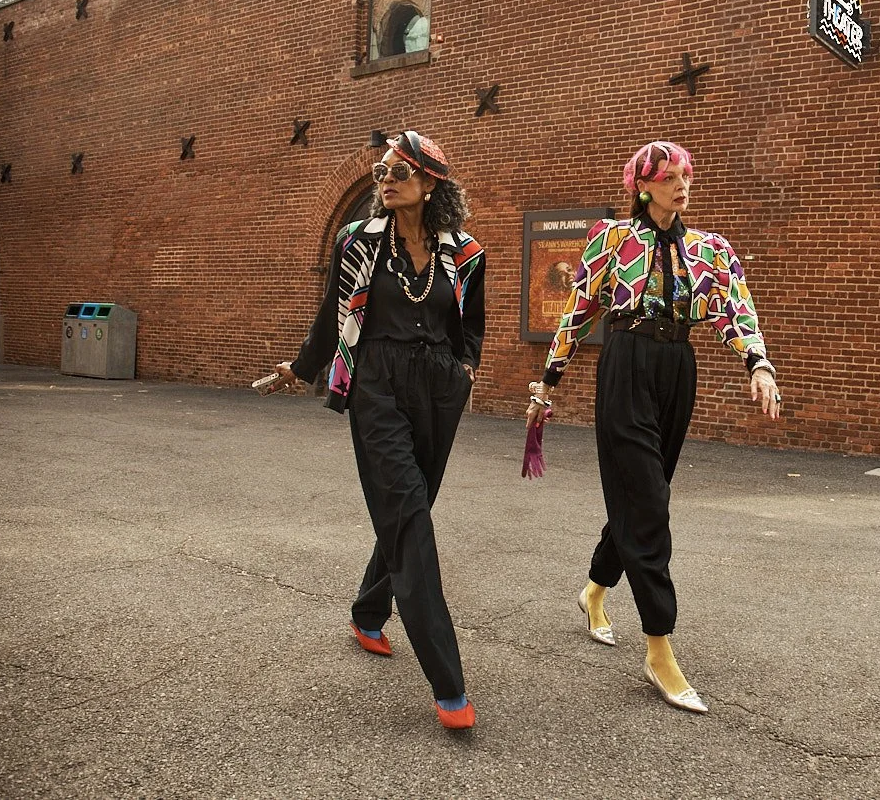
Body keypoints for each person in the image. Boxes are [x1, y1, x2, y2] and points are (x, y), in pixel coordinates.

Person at [526, 141, 780, 714]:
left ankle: (595, 588)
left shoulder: (711, 248)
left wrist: (758, 364)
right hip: (627, 364)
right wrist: (548, 380)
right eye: (668, 178)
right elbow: (578, 310)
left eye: (685, 175)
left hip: (677, 369)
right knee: (647, 501)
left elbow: (736, 308)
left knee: (646, 494)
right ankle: (659, 646)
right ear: (642, 187)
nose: (680, 185)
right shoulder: (613, 238)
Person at [273, 131, 485, 730]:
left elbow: (472, 325)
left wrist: (465, 369)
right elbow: (332, 314)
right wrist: (303, 367)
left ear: (430, 183)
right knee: (409, 514)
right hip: (377, 384)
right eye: (381, 171)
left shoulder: (465, 252)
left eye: (399, 171)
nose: (385, 179)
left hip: (439, 387)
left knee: (409, 505)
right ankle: (448, 682)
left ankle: (368, 613)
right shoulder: (358, 241)